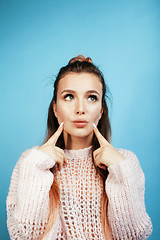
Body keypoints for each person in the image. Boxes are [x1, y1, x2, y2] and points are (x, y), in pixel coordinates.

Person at [6, 55, 153, 240]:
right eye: (69, 97)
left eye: (92, 98)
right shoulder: (31, 161)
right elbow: (24, 235)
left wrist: (121, 170)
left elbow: (134, 236)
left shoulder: (126, 161)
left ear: (101, 110)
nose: (80, 109)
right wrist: (35, 167)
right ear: (55, 109)